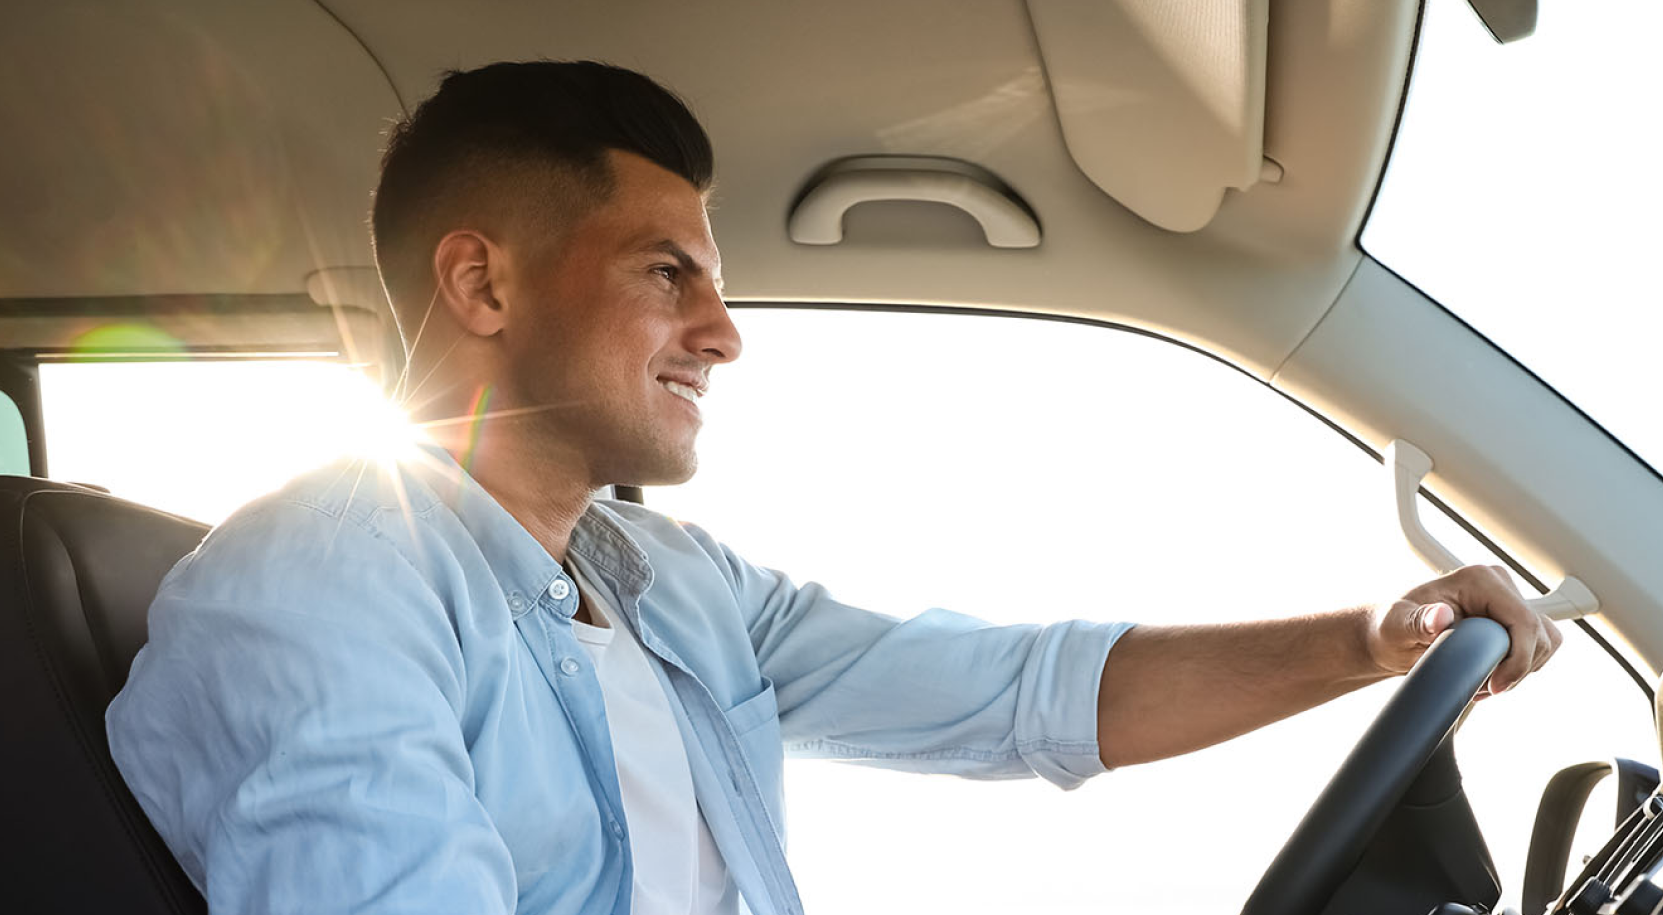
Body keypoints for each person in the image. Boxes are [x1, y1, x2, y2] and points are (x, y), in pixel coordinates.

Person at [106, 60, 1562, 915]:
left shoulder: (665, 581)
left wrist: (1372, 642)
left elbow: (1011, 692)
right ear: (480, 280)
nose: (726, 333)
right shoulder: (316, 585)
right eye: (667, 274)